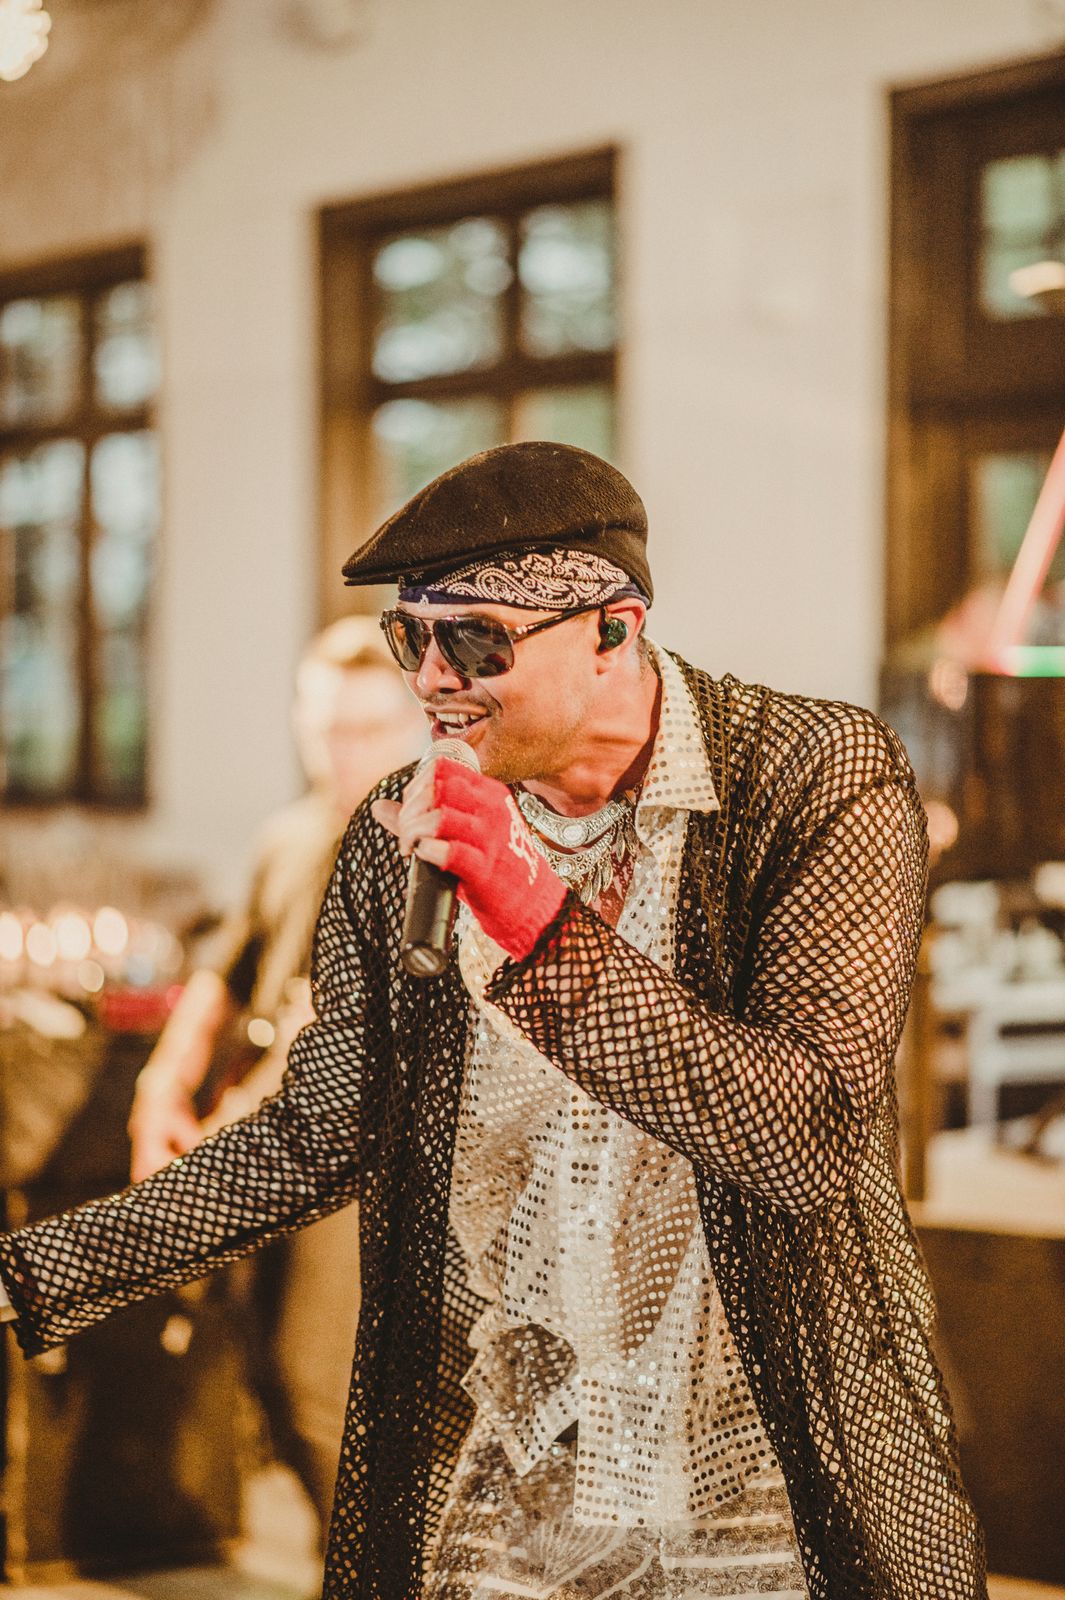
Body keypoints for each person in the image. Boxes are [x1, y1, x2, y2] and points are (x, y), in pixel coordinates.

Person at [0, 442, 986, 1600]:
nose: (432, 680)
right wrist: (30, 1274)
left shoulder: (814, 777)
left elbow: (798, 1131)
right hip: (525, 1478)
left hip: (763, 1470)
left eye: (475, 641)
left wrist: (537, 926)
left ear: (613, 630)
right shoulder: (401, 831)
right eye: (409, 638)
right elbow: (317, 1133)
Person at [133, 615, 424, 1538]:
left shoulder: (425, 853)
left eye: (369, 728)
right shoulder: (288, 837)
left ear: (415, 724)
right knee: (263, 1373)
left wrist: (211, 1145)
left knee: (316, 1388)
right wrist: (159, 1088)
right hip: (265, 1141)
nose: (346, 751)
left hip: (354, 1164)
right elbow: (223, 973)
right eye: (329, 728)